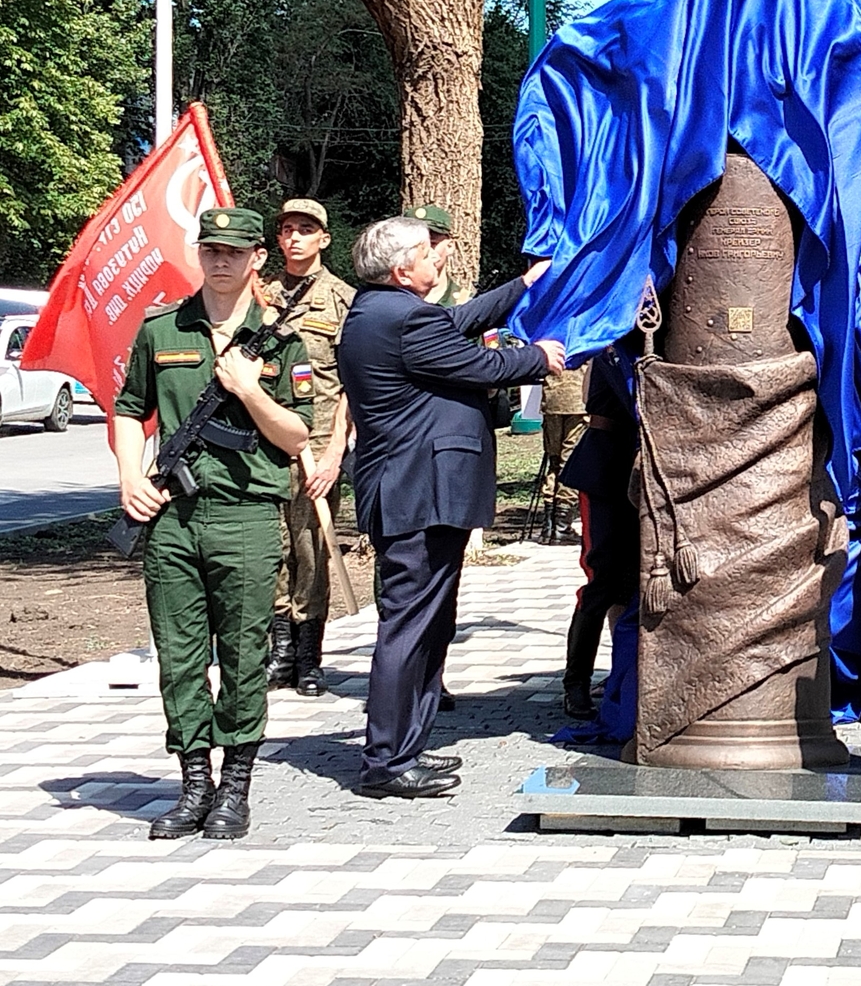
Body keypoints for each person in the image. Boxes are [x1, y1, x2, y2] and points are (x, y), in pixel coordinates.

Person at [338, 216, 563, 799]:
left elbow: (457, 323)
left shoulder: (382, 311)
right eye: (426, 251)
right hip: (417, 494)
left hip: (417, 493)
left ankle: (406, 746)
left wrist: (523, 285)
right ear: (400, 269)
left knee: (427, 624)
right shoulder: (405, 318)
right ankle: (387, 762)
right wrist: (538, 356)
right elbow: (481, 365)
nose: (438, 257)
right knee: (409, 627)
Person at [113, 208, 314, 841]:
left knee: (244, 656)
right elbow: (128, 410)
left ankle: (235, 787)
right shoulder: (162, 329)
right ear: (199, 255)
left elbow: (296, 435)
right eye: (211, 250)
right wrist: (130, 475)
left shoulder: (281, 343)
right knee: (178, 657)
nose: (221, 261)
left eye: (234, 251)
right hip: (172, 518)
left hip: (246, 517)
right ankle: (194, 783)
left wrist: (250, 390)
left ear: (258, 258)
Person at [263, 198, 354, 699]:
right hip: (265, 442)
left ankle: (307, 655)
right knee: (272, 545)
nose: (295, 237)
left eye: (306, 229)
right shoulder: (260, 295)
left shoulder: (342, 300)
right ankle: (278, 647)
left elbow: (351, 386)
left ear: (324, 238)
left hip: (316, 444)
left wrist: (336, 451)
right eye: (287, 229)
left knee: (311, 547)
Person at [559, 333, 644, 720]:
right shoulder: (609, 342)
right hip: (606, 462)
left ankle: (622, 672)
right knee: (602, 576)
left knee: (634, 579)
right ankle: (575, 682)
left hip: (647, 463)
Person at [536, 362, 587, 542]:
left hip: (551, 399)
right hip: (577, 401)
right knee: (570, 464)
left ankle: (549, 526)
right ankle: (561, 526)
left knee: (554, 462)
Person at [408, 204, 460, 307]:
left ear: (450, 246)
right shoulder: (389, 300)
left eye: (432, 244)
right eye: (414, 245)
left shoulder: (464, 303)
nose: (424, 251)